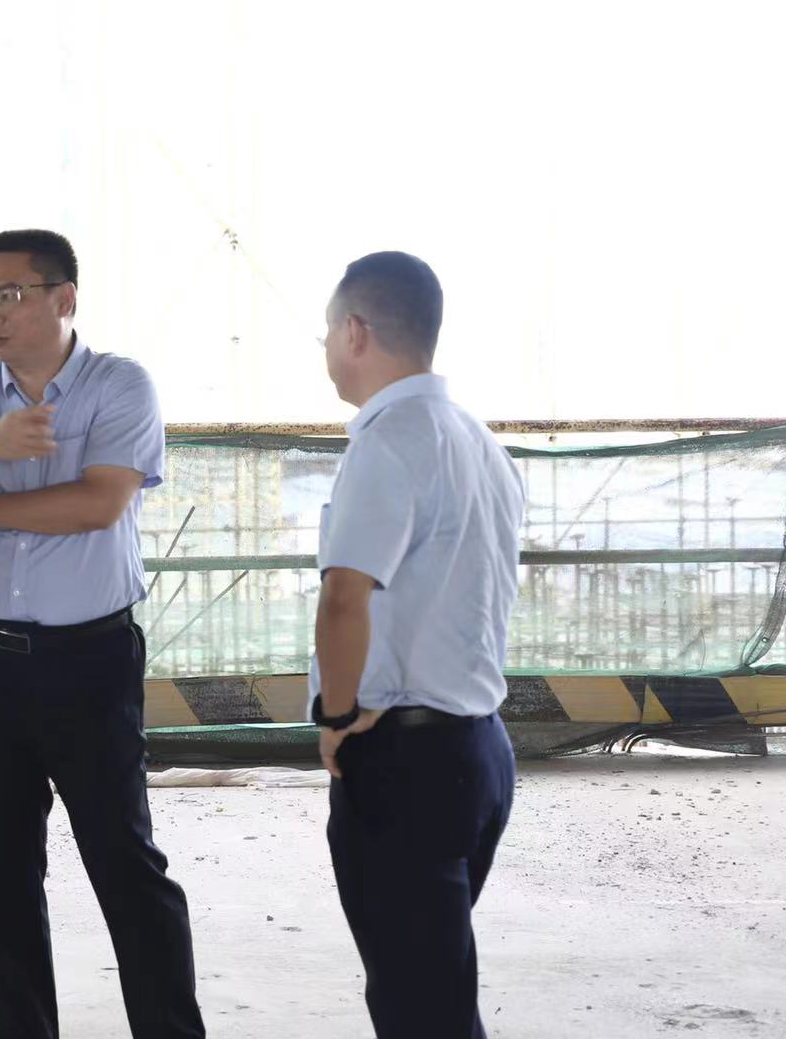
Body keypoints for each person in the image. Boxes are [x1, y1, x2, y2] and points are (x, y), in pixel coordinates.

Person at [0, 229, 204, 1039]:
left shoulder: (118, 384)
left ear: (63, 298)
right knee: (1, 872)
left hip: (88, 661)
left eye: (9, 296)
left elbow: (98, 504)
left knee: (124, 862)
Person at [310, 250, 525, 1039]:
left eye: (327, 332)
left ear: (355, 331)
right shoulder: (479, 441)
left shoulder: (389, 440)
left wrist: (336, 716)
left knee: (420, 1009)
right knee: (435, 989)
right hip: (479, 751)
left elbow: (344, 598)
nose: (326, 348)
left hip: (406, 761)